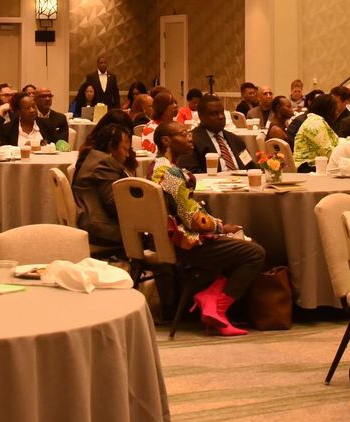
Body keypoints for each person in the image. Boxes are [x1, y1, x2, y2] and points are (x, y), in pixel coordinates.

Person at [145, 120, 265, 335]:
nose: (190, 138)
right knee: (254, 251)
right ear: (166, 141)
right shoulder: (171, 174)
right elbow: (192, 219)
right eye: (183, 134)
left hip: (166, 237)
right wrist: (220, 226)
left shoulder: (156, 166)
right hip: (183, 244)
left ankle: (210, 298)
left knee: (239, 240)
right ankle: (216, 305)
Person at [73, 117, 139, 258]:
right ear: (111, 146)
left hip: (92, 220)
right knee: (158, 233)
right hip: (101, 227)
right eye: (124, 149)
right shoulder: (104, 164)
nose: (127, 155)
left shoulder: (93, 156)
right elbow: (115, 205)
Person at [189, 95, 253, 170]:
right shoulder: (192, 140)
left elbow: (250, 166)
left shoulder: (236, 140)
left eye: (222, 112)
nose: (221, 117)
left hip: (242, 180)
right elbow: (192, 173)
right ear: (201, 116)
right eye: (214, 114)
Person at [290, 91, 340, 166]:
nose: (336, 113)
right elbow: (327, 152)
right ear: (327, 110)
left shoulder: (319, 121)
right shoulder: (314, 123)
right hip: (306, 167)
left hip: (317, 165)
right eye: (335, 110)